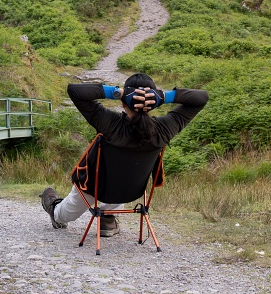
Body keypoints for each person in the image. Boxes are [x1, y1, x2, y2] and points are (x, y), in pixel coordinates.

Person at [40, 72, 208, 236]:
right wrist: (164, 96)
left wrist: (119, 93)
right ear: (153, 104)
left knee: (61, 214)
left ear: (123, 103)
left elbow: (74, 90)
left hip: (92, 187)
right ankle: (107, 219)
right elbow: (202, 97)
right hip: (130, 191)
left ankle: (54, 209)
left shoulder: (111, 124)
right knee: (122, 175)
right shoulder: (164, 129)